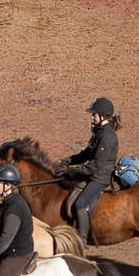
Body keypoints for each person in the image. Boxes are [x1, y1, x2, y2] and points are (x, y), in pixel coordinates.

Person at [57, 97, 119, 243]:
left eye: (94, 114)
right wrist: (66, 161)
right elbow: (86, 154)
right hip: (94, 173)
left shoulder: (107, 136)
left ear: (103, 115)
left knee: (80, 203)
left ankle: (82, 240)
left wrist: (71, 171)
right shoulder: (100, 132)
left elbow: (94, 166)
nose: (92, 116)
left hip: (100, 177)